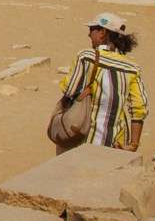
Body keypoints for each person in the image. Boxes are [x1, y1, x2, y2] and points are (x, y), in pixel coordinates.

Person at [60, 14, 148, 151]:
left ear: (103, 32)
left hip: (84, 139)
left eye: (92, 29)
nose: (89, 34)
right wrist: (133, 145)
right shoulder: (132, 68)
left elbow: (69, 89)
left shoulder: (86, 57)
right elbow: (139, 108)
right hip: (117, 144)